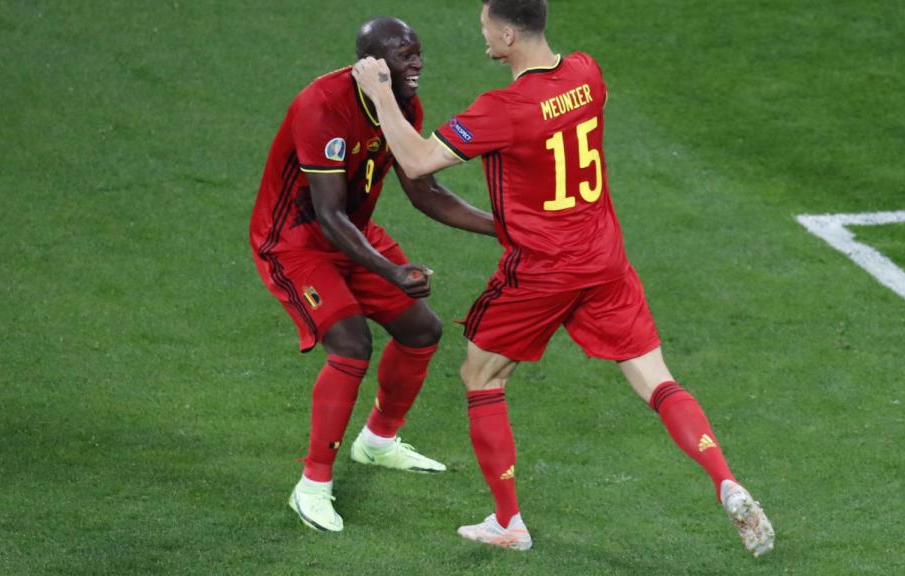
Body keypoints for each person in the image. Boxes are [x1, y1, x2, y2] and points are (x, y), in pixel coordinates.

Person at [351, 0, 775, 556]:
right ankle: (725, 479)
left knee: (482, 376)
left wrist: (381, 92)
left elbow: (416, 161)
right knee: (656, 378)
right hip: (603, 258)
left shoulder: (500, 109)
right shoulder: (587, 72)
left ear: (506, 32)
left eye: (484, 27)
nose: (480, 34)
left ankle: (508, 522)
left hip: (544, 268)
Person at [250, 17, 495, 534]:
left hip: (353, 234)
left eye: (418, 52)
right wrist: (390, 269)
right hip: (297, 243)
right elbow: (329, 216)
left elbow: (423, 190)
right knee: (351, 343)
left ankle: (377, 443)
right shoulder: (322, 106)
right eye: (406, 55)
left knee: (421, 330)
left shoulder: (399, 103)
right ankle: (312, 487)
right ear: (373, 63)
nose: (418, 64)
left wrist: (502, 228)